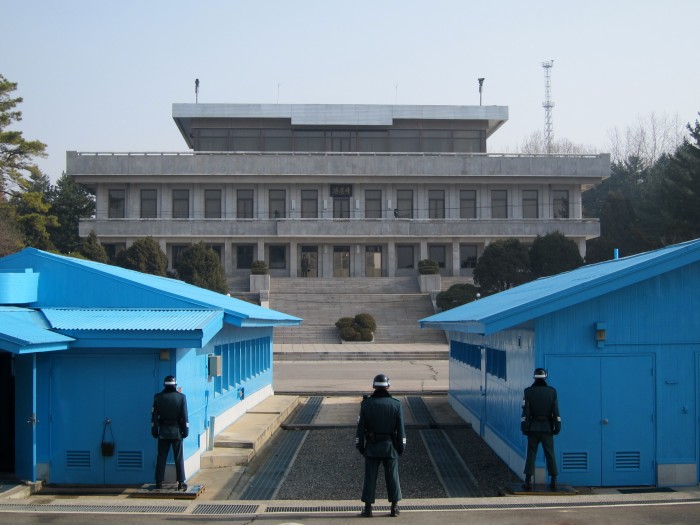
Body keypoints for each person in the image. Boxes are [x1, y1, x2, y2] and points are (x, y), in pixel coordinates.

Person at [355, 373, 406, 518]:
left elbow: (360, 428)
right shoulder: (396, 404)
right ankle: (394, 507)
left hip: (371, 447)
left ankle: (368, 508)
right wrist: (401, 448)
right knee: (392, 477)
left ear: (374, 387)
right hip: (390, 447)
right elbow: (401, 429)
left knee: (370, 478)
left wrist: (361, 446)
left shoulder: (366, 404)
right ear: (388, 386)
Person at [520, 367, 561, 491]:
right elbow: (555, 411)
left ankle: (528, 480)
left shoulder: (528, 392)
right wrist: (557, 426)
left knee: (531, 454)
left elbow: (525, 412)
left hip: (533, 427)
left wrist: (524, 426)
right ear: (545, 378)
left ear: (534, 377)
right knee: (550, 453)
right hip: (547, 427)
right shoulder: (552, 392)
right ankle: (554, 480)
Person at [151, 375, 189, 490]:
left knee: (161, 457)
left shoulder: (157, 397)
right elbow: (184, 416)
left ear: (164, 385)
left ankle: (159, 482)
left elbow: (154, 417)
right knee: (178, 457)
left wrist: (154, 430)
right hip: (176, 431)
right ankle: (181, 482)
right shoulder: (181, 397)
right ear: (175, 385)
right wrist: (185, 430)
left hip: (163, 431)